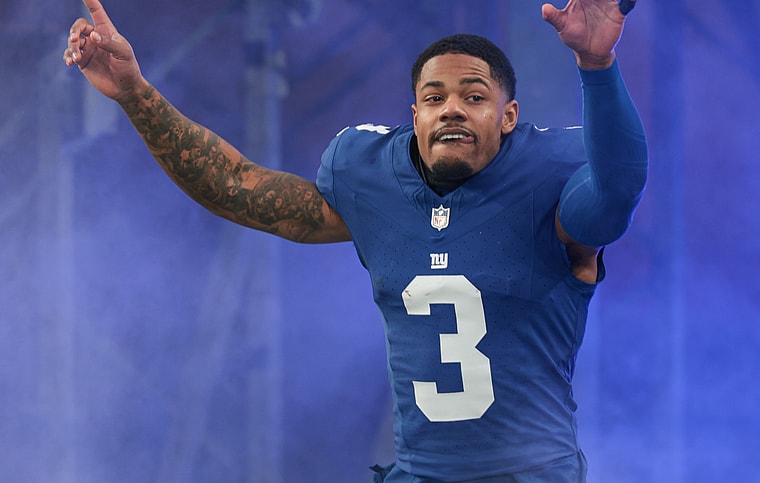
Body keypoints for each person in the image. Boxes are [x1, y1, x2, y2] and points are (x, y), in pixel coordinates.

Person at [64, 0, 647, 480]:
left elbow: (613, 198)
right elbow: (238, 187)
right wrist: (135, 93)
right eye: (435, 97)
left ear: (509, 115)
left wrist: (597, 64)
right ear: (413, 113)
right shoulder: (372, 177)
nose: (452, 110)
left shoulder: (547, 181)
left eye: (474, 97)